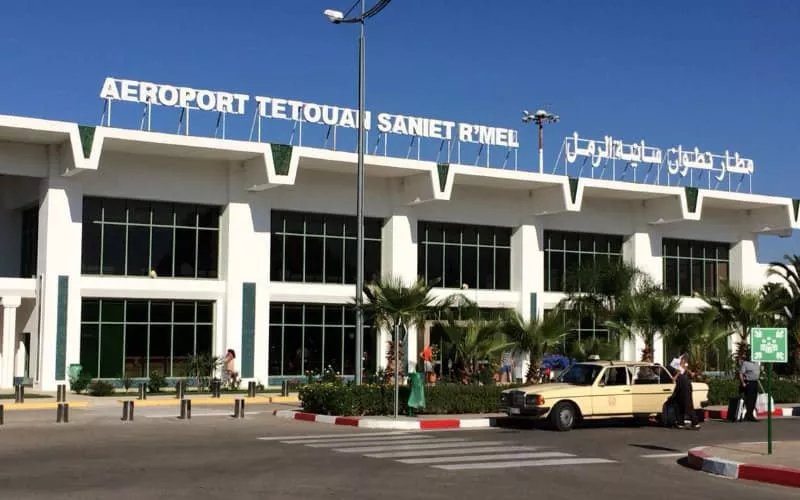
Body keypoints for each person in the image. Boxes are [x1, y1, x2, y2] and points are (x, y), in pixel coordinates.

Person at [671, 354, 700, 430]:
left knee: (688, 404)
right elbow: (683, 369)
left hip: (684, 384)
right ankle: (680, 422)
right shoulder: (678, 363)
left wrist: (675, 377)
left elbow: (679, 371)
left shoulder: (680, 364)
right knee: (679, 403)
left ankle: (695, 423)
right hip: (682, 384)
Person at [739, 346, 761, 422]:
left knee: (754, 399)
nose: (753, 356)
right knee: (749, 400)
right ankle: (749, 415)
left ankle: (749, 415)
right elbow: (741, 374)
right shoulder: (745, 363)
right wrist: (743, 383)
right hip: (749, 383)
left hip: (755, 382)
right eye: (751, 355)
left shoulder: (756, 363)